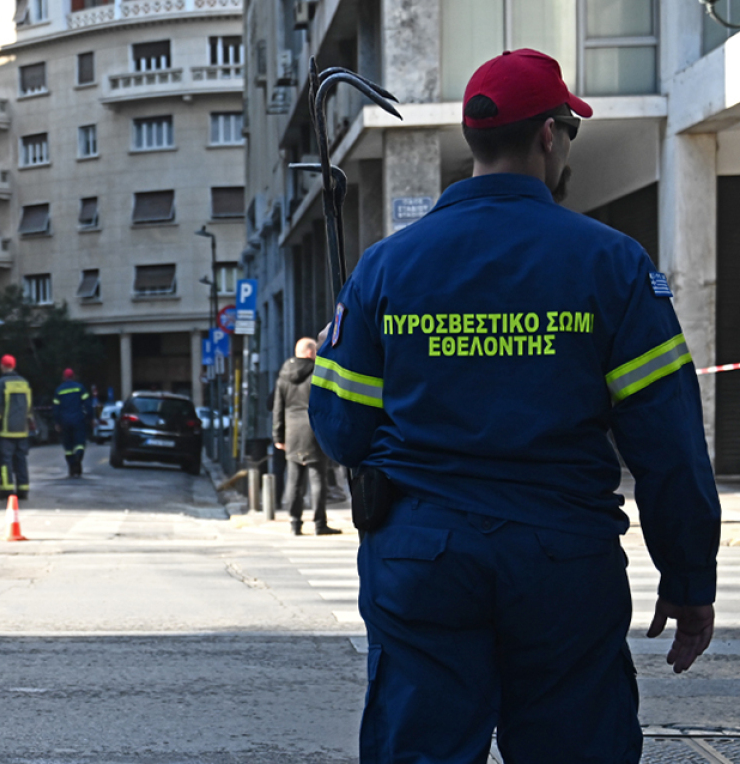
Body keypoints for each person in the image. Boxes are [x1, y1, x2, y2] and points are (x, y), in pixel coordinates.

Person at [309, 49, 720, 763]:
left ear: (474, 139)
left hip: (423, 557)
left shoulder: (386, 266)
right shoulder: (613, 264)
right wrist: (687, 578)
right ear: (549, 136)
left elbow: (341, 431)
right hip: (563, 563)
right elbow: (669, 441)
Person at [272, 338, 339, 536]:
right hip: (314, 431)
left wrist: (278, 436)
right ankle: (319, 523)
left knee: (293, 481)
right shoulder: (318, 372)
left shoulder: (284, 375)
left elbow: (278, 408)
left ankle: (295, 523)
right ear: (310, 352)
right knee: (318, 479)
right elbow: (327, 404)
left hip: (292, 432)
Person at [0, 354, 32, 500]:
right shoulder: (25, 383)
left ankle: (6, 489)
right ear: (14, 366)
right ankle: (23, 489)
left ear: (2, 366)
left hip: (5, 431)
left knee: (5, 462)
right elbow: (29, 406)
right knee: (21, 460)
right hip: (22, 430)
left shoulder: (0, 384)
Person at [52, 368, 92, 477]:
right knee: (80, 443)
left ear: (63, 377)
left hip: (64, 421)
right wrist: (91, 418)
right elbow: (87, 404)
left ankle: (71, 466)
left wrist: (57, 422)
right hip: (78, 420)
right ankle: (78, 457)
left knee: (68, 446)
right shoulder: (80, 388)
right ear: (73, 376)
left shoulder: (59, 390)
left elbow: (56, 408)